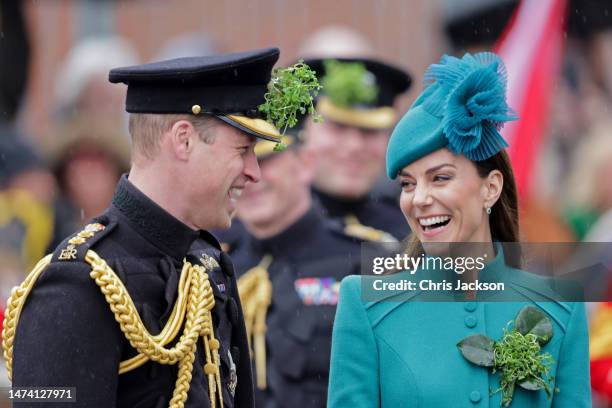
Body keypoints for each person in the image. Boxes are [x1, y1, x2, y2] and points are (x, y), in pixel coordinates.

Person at [4, 47, 290, 408]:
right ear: (183, 139)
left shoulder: (206, 264)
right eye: (242, 149)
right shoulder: (74, 283)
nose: (254, 171)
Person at [327, 52, 591, 407]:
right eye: (407, 184)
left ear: (491, 188)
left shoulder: (561, 309)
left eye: (440, 178)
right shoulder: (365, 305)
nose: (419, 198)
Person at [229, 132, 374, 407]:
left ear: (306, 162)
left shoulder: (366, 259)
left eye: (266, 160)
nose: (250, 176)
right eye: (236, 160)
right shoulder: (214, 268)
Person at [300, 56, 412, 241]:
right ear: (302, 132)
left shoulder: (412, 234)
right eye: (338, 126)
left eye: (369, 130)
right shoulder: (263, 227)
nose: (354, 146)